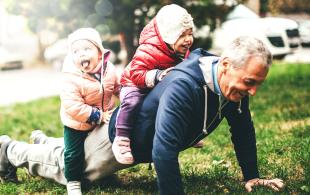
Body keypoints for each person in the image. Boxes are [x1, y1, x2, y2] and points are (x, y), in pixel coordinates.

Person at [0, 36, 284, 194]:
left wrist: (252, 176)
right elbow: (164, 150)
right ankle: (9, 150)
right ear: (225, 65)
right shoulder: (186, 85)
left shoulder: (231, 86)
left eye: (258, 83)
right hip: (119, 140)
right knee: (70, 170)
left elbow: (243, 128)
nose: (253, 91)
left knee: (74, 156)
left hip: (137, 143)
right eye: (250, 82)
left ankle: (45, 141)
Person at [113, 4, 194, 164]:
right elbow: (136, 74)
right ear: (168, 35)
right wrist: (157, 75)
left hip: (157, 83)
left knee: (177, 101)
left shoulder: (179, 50)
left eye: (190, 33)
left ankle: (186, 132)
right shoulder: (148, 49)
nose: (188, 39)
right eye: (182, 35)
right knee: (133, 101)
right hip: (133, 83)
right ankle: (121, 138)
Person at [60, 27, 119, 195]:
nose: (81, 54)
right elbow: (72, 106)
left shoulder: (109, 69)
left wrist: (127, 95)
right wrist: (98, 115)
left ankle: (105, 174)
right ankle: (73, 181)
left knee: (105, 147)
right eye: (76, 51)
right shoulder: (71, 77)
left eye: (87, 49)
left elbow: (117, 87)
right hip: (77, 122)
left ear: (100, 52)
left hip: (104, 116)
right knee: (73, 153)